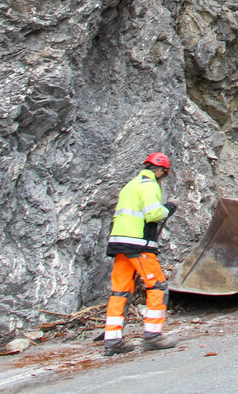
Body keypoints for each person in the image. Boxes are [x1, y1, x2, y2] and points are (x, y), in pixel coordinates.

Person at [103, 152, 179, 356]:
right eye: (164, 173)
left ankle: (112, 340)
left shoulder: (130, 185)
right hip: (138, 245)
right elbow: (153, 214)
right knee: (158, 286)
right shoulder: (150, 185)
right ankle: (153, 335)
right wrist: (170, 207)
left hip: (119, 243)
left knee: (120, 291)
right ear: (162, 170)